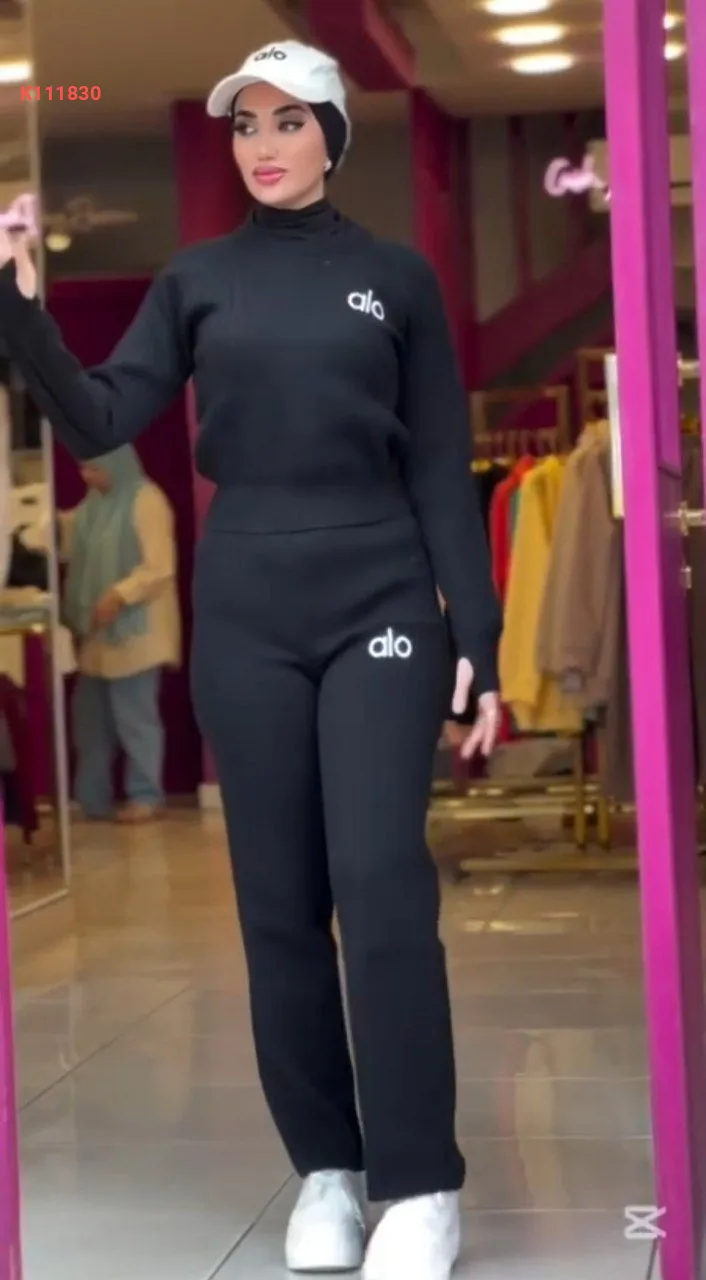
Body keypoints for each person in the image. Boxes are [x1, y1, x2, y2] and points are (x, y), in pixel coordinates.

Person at [0, 41, 501, 1280]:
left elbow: (441, 465)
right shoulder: (197, 279)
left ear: (333, 132)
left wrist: (479, 637)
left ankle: (420, 1181)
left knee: (380, 882)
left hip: (382, 594)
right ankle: (327, 1167)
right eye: (244, 125)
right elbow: (100, 413)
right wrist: (17, 307)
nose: (263, 145)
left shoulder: (396, 280)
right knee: (278, 903)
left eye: (287, 120)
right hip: (247, 609)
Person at [60, 446, 180, 824]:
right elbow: (67, 535)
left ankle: (146, 796)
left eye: (94, 469)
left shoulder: (146, 500)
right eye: (83, 469)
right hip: (98, 630)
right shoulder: (94, 506)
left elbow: (159, 565)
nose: (87, 477)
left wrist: (120, 594)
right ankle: (92, 799)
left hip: (136, 630)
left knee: (135, 718)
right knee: (90, 721)